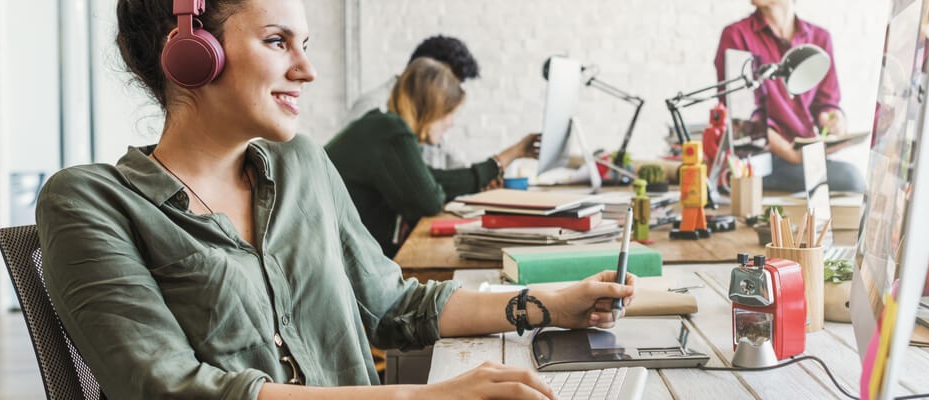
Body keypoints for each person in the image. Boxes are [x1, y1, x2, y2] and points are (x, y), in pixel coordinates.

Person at [35, 1, 634, 399]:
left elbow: (395, 304)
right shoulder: (90, 202)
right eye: (278, 41)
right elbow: (174, 389)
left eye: (307, 43)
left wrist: (550, 305)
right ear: (191, 52)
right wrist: (423, 396)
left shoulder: (303, 164)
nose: (308, 69)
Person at [326, 57, 539, 258]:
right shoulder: (391, 130)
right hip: (341, 265)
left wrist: (504, 159)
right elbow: (429, 200)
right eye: (450, 113)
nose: (452, 123)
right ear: (432, 109)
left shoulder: (384, 127)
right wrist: (499, 163)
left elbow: (429, 179)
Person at [714, 0, 865, 192]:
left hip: (803, 152)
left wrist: (832, 119)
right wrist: (790, 154)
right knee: (851, 179)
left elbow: (827, 102)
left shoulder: (819, 38)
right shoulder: (736, 36)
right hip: (761, 158)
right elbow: (742, 117)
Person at [345, 35, 481, 170]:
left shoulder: (426, 114)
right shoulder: (372, 108)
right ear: (427, 74)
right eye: (449, 85)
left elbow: (445, 158)